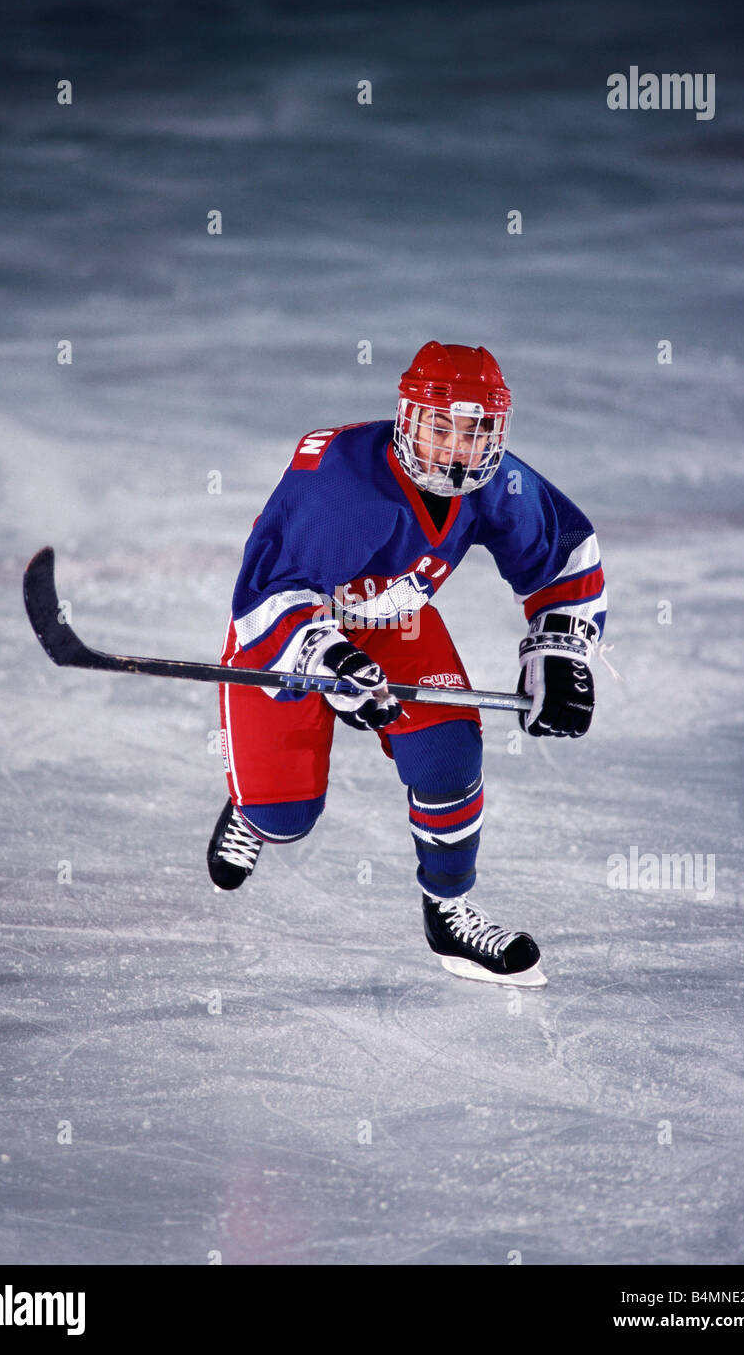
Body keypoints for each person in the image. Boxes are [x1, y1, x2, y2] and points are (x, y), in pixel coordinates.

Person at [207, 341, 606, 987]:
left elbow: (562, 550)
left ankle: (449, 914)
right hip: (292, 629)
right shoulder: (341, 485)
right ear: (408, 420)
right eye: (440, 425)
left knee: (449, 751)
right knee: (287, 816)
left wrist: (560, 647)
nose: (455, 449)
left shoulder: (494, 483)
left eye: (474, 431)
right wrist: (329, 661)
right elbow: (269, 596)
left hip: (396, 618)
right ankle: (251, 814)